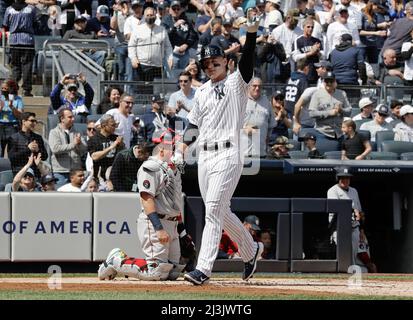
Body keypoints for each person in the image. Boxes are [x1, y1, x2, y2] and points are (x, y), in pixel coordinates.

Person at [176, 15, 264, 285]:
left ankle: (203, 269)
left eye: (215, 62)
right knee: (220, 212)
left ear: (226, 61)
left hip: (229, 153)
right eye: (206, 64)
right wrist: (181, 149)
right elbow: (192, 126)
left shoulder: (237, 83)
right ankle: (251, 250)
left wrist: (250, 33)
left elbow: (248, 60)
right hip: (205, 156)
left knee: (213, 209)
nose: (210, 66)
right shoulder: (201, 92)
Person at [98, 129, 189, 281]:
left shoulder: (173, 170)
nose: (179, 153)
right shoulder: (151, 167)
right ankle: (116, 259)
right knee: (155, 272)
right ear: (162, 149)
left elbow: (175, 205)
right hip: (155, 222)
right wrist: (159, 229)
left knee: (172, 273)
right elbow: (146, 199)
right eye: (175, 149)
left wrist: (182, 232)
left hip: (172, 224)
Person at [327, 167, 377, 273]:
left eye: (347, 178)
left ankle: (361, 273)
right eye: (342, 178)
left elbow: (360, 212)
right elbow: (336, 209)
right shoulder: (332, 191)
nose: (345, 180)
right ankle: (341, 274)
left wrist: (362, 230)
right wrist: (353, 210)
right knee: (344, 253)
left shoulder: (354, 191)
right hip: (339, 227)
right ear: (337, 179)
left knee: (361, 250)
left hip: (354, 227)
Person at [128, 6, 173, 82]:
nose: (149, 17)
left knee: (156, 92)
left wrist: (170, 58)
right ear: (144, 16)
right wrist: (133, 58)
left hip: (158, 66)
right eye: (147, 15)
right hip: (141, 66)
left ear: (155, 16)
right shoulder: (137, 29)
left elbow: (168, 46)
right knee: (141, 91)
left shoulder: (162, 30)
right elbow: (131, 46)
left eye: (151, 15)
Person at [2, 0, 37, 97]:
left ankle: (13, 89)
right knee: (27, 66)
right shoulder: (31, 9)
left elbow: (5, 25)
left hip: (14, 40)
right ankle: (27, 90)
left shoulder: (9, 9)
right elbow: (35, 23)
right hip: (28, 40)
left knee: (15, 66)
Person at [48, 108, 88, 188]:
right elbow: (55, 149)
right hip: (61, 172)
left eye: (73, 117)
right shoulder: (54, 132)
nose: (73, 119)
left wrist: (79, 144)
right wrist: (73, 144)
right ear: (62, 119)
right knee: (62, 196)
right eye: (70, 117)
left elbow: (84, 149)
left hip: (75, 170)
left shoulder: (77, 131)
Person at [309, 72, 352, 143]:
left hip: (339, 133)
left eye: (331, 81)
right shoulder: (317, 94)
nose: (329, 83)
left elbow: (349, 111)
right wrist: (329, 113)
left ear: (335, 82)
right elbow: (311, 113)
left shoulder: (342, 93)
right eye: (327, 81)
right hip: (323, 133)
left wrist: (341, 110)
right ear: (323, 82)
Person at [242, 77, 276, 158]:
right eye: (254, 86)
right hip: (243, 153)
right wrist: (243, 128)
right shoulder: (240, 101)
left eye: (260, 86)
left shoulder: (267, 102)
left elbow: (271, 125)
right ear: (248, 86)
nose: (257, 88)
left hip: (261, 152)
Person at [7, 112, 48, 178]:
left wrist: (38, 150)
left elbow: (45, 157)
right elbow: (12, 158)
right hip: (20, 173)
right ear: (24, 121)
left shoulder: (38, 137)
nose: (34, 123)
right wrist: (28, 149)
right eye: (32, 121)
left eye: (35, 121)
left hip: (35, 173)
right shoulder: (13, 138)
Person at [87, 114, 125, 183]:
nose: (114, 127)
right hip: (99, 177)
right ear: (104, 125)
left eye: (115, 125)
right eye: (112, 125)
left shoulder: (116, 138)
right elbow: (94, 157)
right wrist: (111, 147)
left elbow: (123, 156)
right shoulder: (93, 139)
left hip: (114, 177)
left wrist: (121, 145)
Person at [0, 79, 24, 157]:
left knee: (12, 150)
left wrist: (12, 106)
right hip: (1, 125)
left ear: (11, 89)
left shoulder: (17, 99)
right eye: (2, 88)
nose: (3, 90)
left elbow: (20, 115)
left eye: (5, 89)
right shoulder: (1, 98)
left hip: (12, 126)